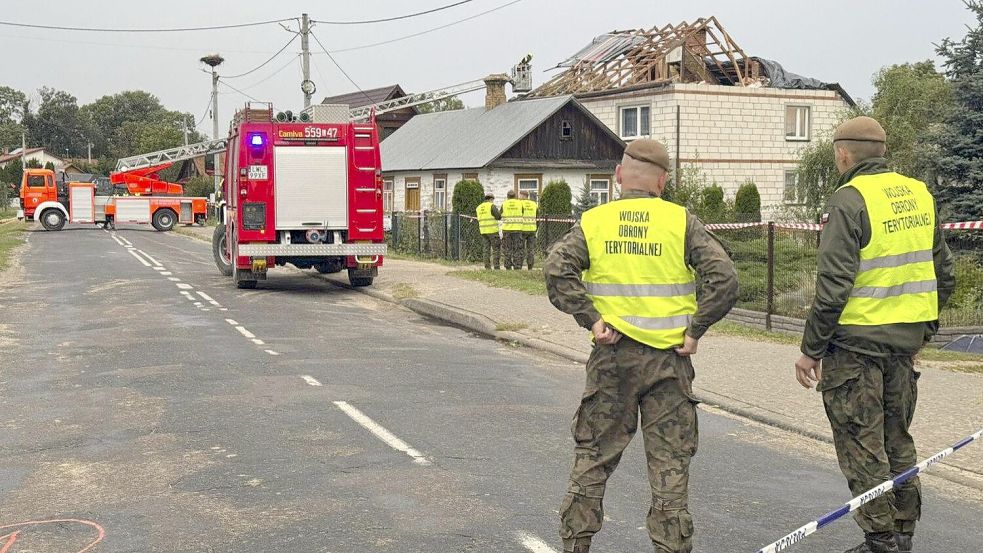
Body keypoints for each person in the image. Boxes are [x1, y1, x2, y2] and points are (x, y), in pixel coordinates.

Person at [545, 138, 738, 553]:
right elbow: (724, 279)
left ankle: (575, 546)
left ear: (618, 176)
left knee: (593, 459)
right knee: (669, 469)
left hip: (611, 358)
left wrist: (591, 319)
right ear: (662, 182)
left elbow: (557, 269)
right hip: (668, 364)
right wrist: (696, 329)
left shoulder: (595, 221)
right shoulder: (680, 222)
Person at [794, 117, 956, 553]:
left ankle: (880, 541)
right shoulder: (919, 194)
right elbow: (944, 274)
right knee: (897, 441)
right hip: (903, 348)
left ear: (843, 153)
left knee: (862, 447)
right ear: (882, 152)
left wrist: (811, 350)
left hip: (855, 349)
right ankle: (903, 534)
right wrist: (923, 333)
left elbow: (833, 287)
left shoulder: (849, 199)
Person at [475, 192, 502, 270]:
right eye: (492, 200)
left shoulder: (478, 207)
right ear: (491, 199)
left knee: (486, 249)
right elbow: (498, 216)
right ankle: (496, 267)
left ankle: (487, 267)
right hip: (492, 231)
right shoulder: (491, 206)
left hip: (483, 231)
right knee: (496, 249)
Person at [501, 189, 524, 270]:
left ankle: (508, 266)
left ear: (507, 196)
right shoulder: (520, 203)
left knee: (507, 248)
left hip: (507, 230)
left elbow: (500, 214)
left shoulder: (504, 204)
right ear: (515, 196)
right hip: (517, 229)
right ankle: (517, 266)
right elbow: (522, 212)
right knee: (517, 248)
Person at [520, 190, 538, 269]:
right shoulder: (534, 204)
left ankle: (519, 265)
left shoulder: (520, 203)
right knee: (530, 249)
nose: (519, 197)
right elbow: (538, 218)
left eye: (520, 195)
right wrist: (536, 228)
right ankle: (530, 266)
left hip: (522, 229)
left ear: (523, 196)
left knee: (521, 248)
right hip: (532, 230)